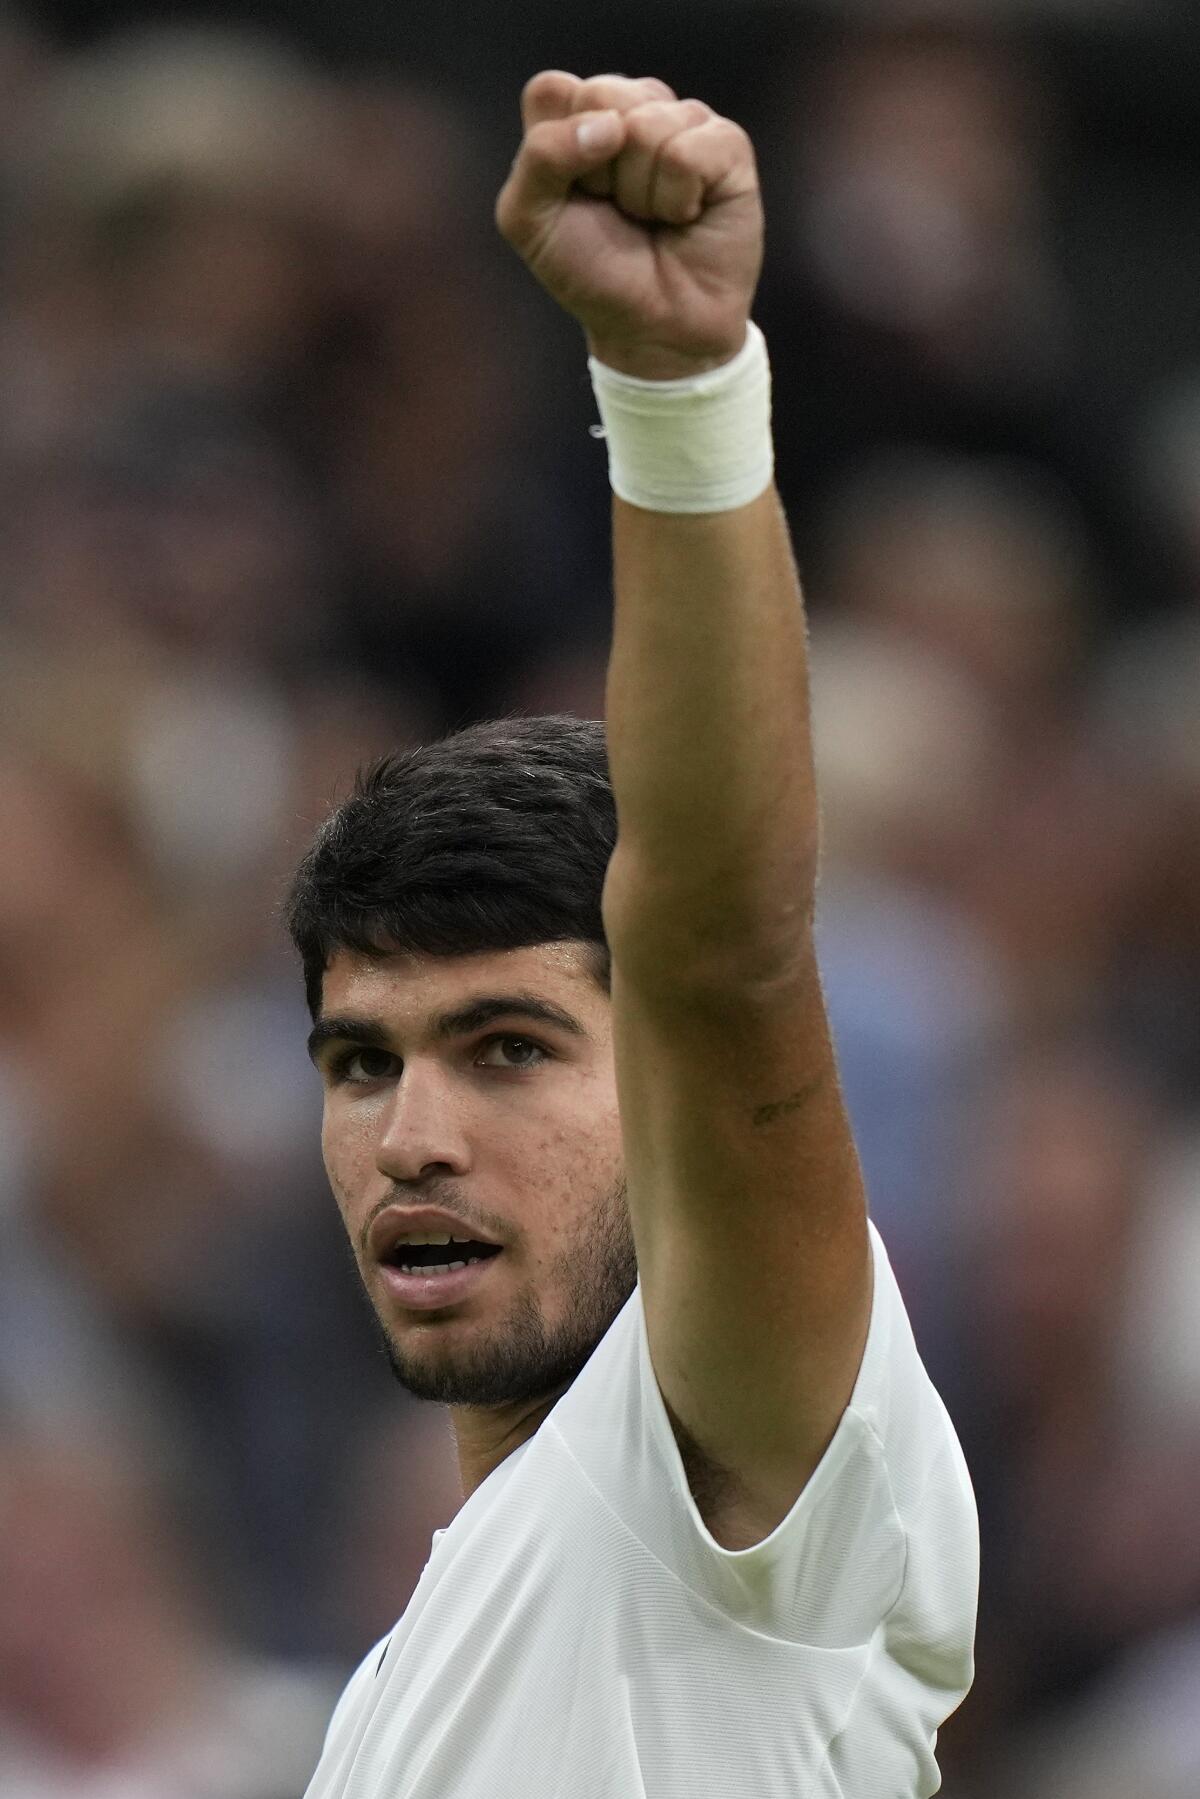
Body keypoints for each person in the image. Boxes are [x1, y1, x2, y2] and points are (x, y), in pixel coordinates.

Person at [290, 70, 978, 1798]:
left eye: (509, 1047)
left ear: (663, 1080)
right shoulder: (452, 1629)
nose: (412, 1138)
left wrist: (676, 387)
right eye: (361, 1060)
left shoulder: (753, 1462)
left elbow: (725, 948)